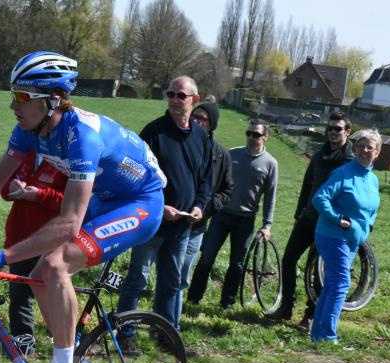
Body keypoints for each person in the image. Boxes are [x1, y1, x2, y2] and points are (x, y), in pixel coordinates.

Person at [0, 51, 166, 363]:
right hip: (106, 198)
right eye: (14, 95)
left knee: (55, 263)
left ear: (53, 100)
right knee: (42, 272)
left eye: (23, 97)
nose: (14, 106)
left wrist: (2, 255)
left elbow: (70, 223)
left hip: (140, 203)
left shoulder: (82, 137)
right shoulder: (29, 130)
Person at [116, 76, 212, 346]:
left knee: (171, 284)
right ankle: (126, 335)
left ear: (195, 99)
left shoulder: (201, 136)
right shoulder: (153, 133)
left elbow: (206, 178)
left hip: (182, 227)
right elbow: (135, 175)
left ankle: (165, 337)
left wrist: (199, 206)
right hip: (152, 223)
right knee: (137, 280)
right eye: (170, 94)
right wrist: (160, 206)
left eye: (180, 95)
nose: (174, 99)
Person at [270, 112, 354, 329]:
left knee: (315, 270)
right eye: (330, 129)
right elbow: (307, 186)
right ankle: (286, 307)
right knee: (288, 259)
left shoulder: (349, 161)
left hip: (329, 223)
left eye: (338, 129)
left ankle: (309, 316)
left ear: (347, 132)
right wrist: (299, 213)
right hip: (308, 218)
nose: (333, 132)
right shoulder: (319, 155)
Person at [187, 119, 278, 310]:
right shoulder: (232, 154)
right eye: (249, 133)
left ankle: (227, 303)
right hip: (222, 215)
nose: (251, 137)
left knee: (237, 264)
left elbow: (271, 196)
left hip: (245, 220)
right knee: (206, 258)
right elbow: (215, 182)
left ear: (265, 138)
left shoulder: (270, 163)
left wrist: (267, 225)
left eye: (256, 134)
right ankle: (193, 298)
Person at [310, 129, 381, 343]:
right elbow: (320, 198)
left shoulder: (373, 179)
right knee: (341, 283)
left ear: (377, 152)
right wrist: (338, 219)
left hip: (352, 240)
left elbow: (373, 207)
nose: (364, 151)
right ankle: (328, 337)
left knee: (332, 285)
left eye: (370, 147)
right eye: (360, 146)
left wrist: (368, 225)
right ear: (355, 148)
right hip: (333, 236)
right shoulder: (343, 173)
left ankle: (318, 335)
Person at [0, 150, 67, 355]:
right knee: (19, 295)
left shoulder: (67, 159)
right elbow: (3, 190)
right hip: (19, 239)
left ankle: (66, 346)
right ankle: (23, 347)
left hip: (50, 240)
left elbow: (72, 203)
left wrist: (38, 194)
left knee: (53, 296)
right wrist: (10, 187)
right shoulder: (25, 154)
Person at [179, 102, 232, 319]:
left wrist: (206, 208)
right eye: (195, 117)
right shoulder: (180, 144)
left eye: (203, 119)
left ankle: (172, 316)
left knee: (183, 272)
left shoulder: (221, 155)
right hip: (172, 219)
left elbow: (227, 190)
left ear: (212, 125)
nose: (198, 122)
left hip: (197, 226)